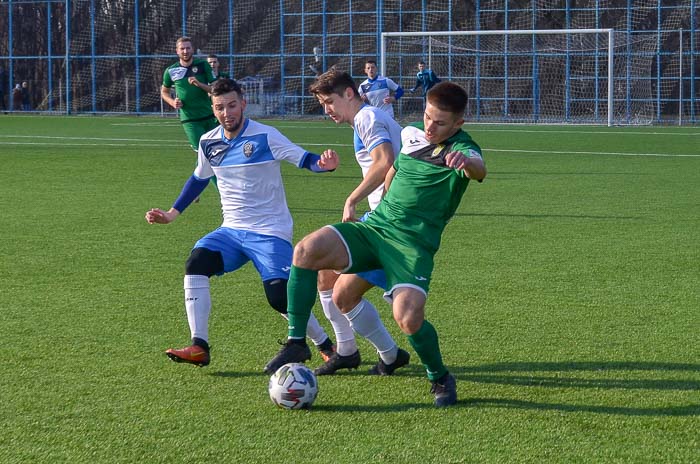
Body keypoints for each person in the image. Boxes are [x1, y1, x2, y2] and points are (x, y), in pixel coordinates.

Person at [265, 81, 487, 407]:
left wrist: (465, 163)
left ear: (458, 124)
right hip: (376, 228)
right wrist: (378, 205)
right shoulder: (412, 135)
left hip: (411, 247)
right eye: (427, 117)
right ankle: (297, 341)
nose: (430, 127)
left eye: (440, 123)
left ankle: (439, 377)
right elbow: (394, 169)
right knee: (308, 253)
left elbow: (479, 170)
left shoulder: (464, 149)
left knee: (408, 318)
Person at [145, 78, 340, 368]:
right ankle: (199, 345)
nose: (227, 113)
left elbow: (304, 159)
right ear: (213, 110)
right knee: (196, 263)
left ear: (243, 104)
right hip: (231, 232)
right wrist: (172, 213)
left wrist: (323, 164)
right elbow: (199, 178)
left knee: (279, 297)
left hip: (270, 232)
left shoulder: (266, 136)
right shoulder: (208, 141)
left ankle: (324, 345)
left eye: (232, 105)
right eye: (220, 107)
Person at [298, 68, 410, 377]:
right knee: (325, 273)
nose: (327, 110)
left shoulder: (367, 118)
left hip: (390, 224)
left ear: (349, 94)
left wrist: (352, 199)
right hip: (380, 219)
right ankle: (349, 351)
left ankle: (390, 355)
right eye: (322, 105)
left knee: (345, 295)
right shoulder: (366, 119)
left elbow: (384, 161)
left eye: (329, 102)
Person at [161, 37, 218, 154]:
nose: (185, 51)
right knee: (202, 152)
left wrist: (199, 84)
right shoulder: (171, 71)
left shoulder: (203, 65)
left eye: (188, 48)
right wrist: (172, 102)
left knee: (217, 151)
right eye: (182, 49)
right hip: (190, 119)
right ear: (177, 51)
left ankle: (217, 173)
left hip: (209, 116)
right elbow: (164, 92)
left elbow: (216, 89)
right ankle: (205, 173)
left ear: (193, 49)